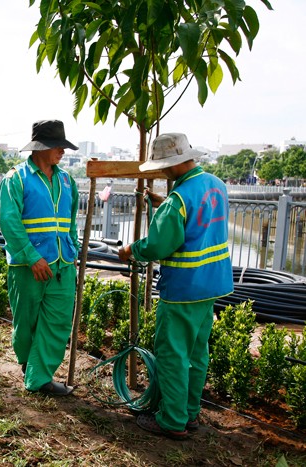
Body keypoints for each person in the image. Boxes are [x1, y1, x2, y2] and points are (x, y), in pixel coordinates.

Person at [117, 133, 233, 439]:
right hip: (212, 285)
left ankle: (171, 420)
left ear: (170, 165)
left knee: (173, 356)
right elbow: (196, 218)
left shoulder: (178, 200)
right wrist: (165, 204)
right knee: (196, 353)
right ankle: (190, 413)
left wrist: (131, 251)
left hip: (183, 288)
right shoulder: (216, 185)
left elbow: (159, 245)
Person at [0, 119, 80, 396]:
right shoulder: (16, 179)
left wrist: (74, 248)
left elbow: (71, 221)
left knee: (58, 322)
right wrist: (32, 257)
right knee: (27, 323)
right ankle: (28, 366)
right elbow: (10, 223)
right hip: (28, 266)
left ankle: (39, 377)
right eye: (57, 146)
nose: (62, 152)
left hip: (62, 264)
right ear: (40, 148)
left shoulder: (67, 181)